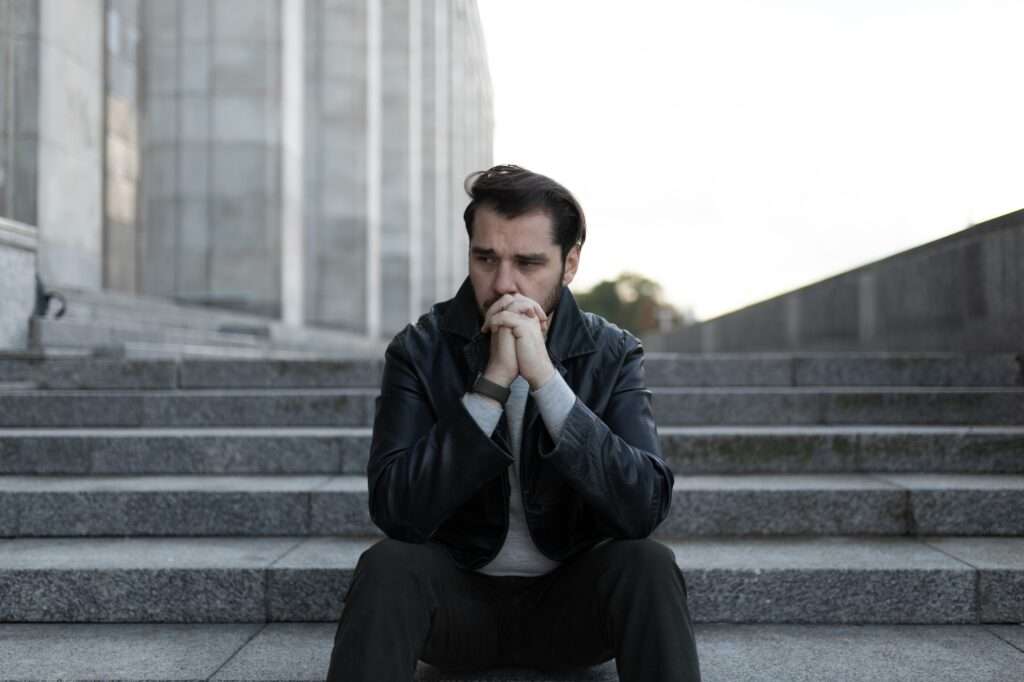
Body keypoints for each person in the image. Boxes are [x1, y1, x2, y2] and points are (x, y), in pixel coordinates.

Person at [325, 165, 701, 681]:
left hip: (571, 610)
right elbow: (397, 510)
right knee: (387, 566)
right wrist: (492, 384)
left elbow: (642, 507)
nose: (503, 283)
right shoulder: (421, 348)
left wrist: (546, 380)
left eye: (528, 262)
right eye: (486, 259)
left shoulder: (609, 353)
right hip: (456, 607)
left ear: (569, 264)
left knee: (649, 566)